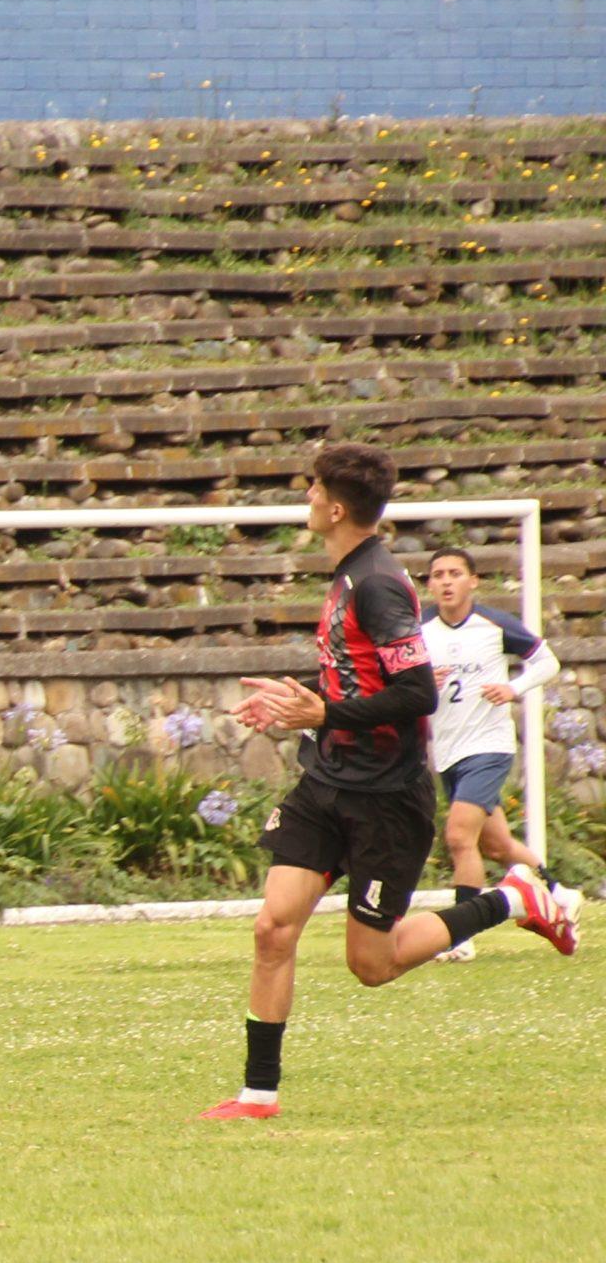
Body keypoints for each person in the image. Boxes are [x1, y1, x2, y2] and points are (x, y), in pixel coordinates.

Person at [205, 445, 580, 1123]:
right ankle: (258, 1095)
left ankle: (514, 898)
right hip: (326, 781)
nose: (307, 497)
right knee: (272, 928)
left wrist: (324, 712)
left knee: (372, 965)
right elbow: (359, 676)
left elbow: (414, 694)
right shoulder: (350, 575)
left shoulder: (377, 583)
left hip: (384, 797)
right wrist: (299, 701)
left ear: (336, 508)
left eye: (313, 488)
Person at [420, 546, 561, 962]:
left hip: (488, 747)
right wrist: (421, 681)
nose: (446, 581)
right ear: (429, 584)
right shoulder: (418, 630)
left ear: (473, 581)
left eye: (455, 573)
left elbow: (547, 662)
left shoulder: (494, 624)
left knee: (458, 837)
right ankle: (559, 894)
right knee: (498, 846)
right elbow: (393, 676)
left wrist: (513, 688)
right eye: (438, 575)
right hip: (447, 751)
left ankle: (461, 937)